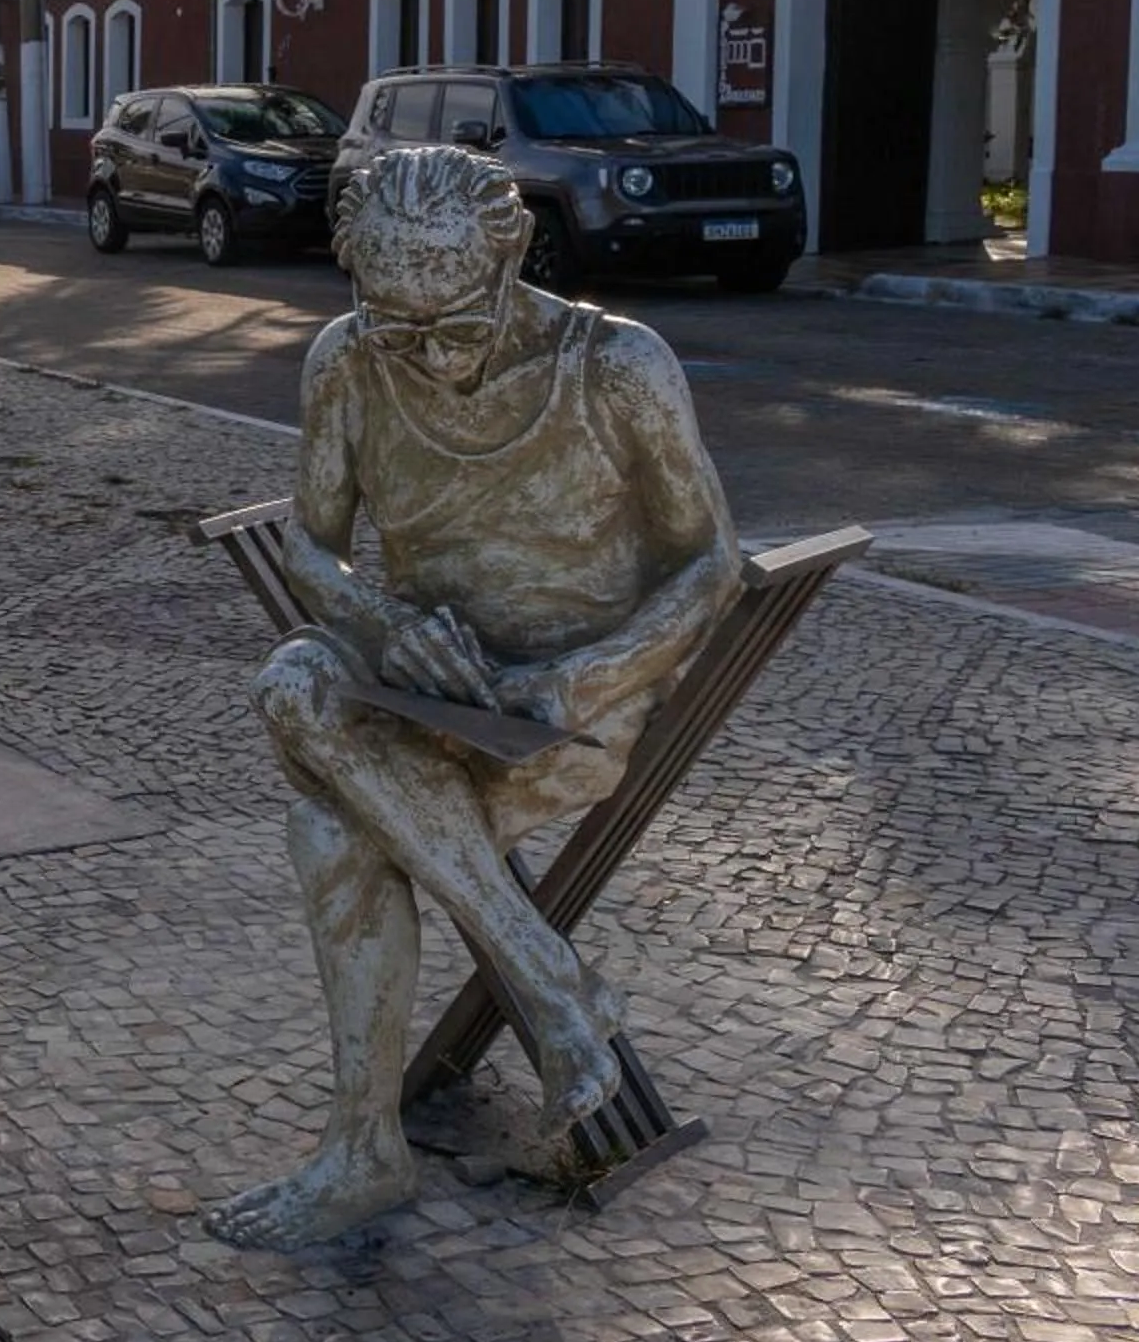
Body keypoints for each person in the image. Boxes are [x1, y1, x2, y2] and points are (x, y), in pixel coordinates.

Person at [204, 144, 743, 1250]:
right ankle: (553, 984)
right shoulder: (349, 363)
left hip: (567, 708)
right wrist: (387, 627)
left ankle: (366, 1151)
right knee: (296, 670)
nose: (429, 359)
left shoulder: (617, 364)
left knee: (330, 834)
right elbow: (311, 544)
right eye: (396, 325)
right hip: (421, 700)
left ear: (510, 257)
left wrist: (577, 674)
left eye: (455, 325)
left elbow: (711, 564)